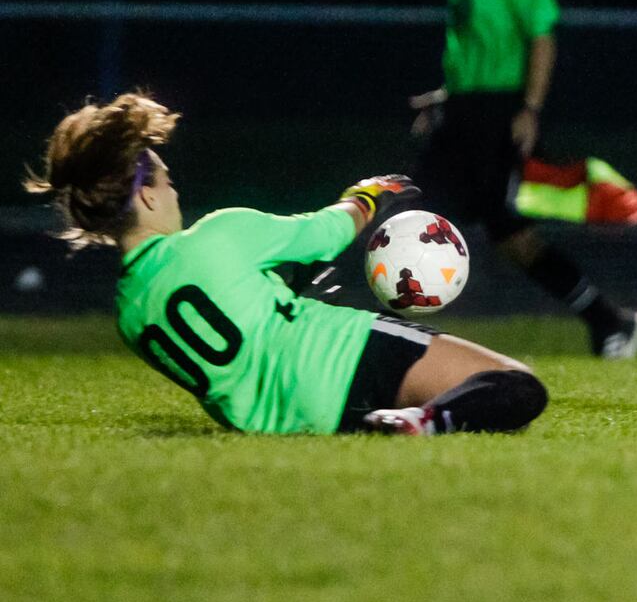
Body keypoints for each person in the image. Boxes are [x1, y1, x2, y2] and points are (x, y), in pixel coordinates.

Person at [24, 93, 548, 436]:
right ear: (144, 197)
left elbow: (244, 337)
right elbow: (325, 232)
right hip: (345, 356)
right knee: (518, 386)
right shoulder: (216, 237)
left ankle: (401, 421)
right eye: (163, 177)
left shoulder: (131, 312)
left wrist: (287, 292)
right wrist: (368, 195)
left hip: (291, 422)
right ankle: (421, 420)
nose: (173, 185)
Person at [410, 0, 637, 358]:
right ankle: (610, 322)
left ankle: (610, 322)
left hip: (501, 109)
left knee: (459, 223)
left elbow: (541, 35)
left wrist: (531, 109)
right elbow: (475, 41)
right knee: (427, 215)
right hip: (465, 108)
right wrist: (446, 96)